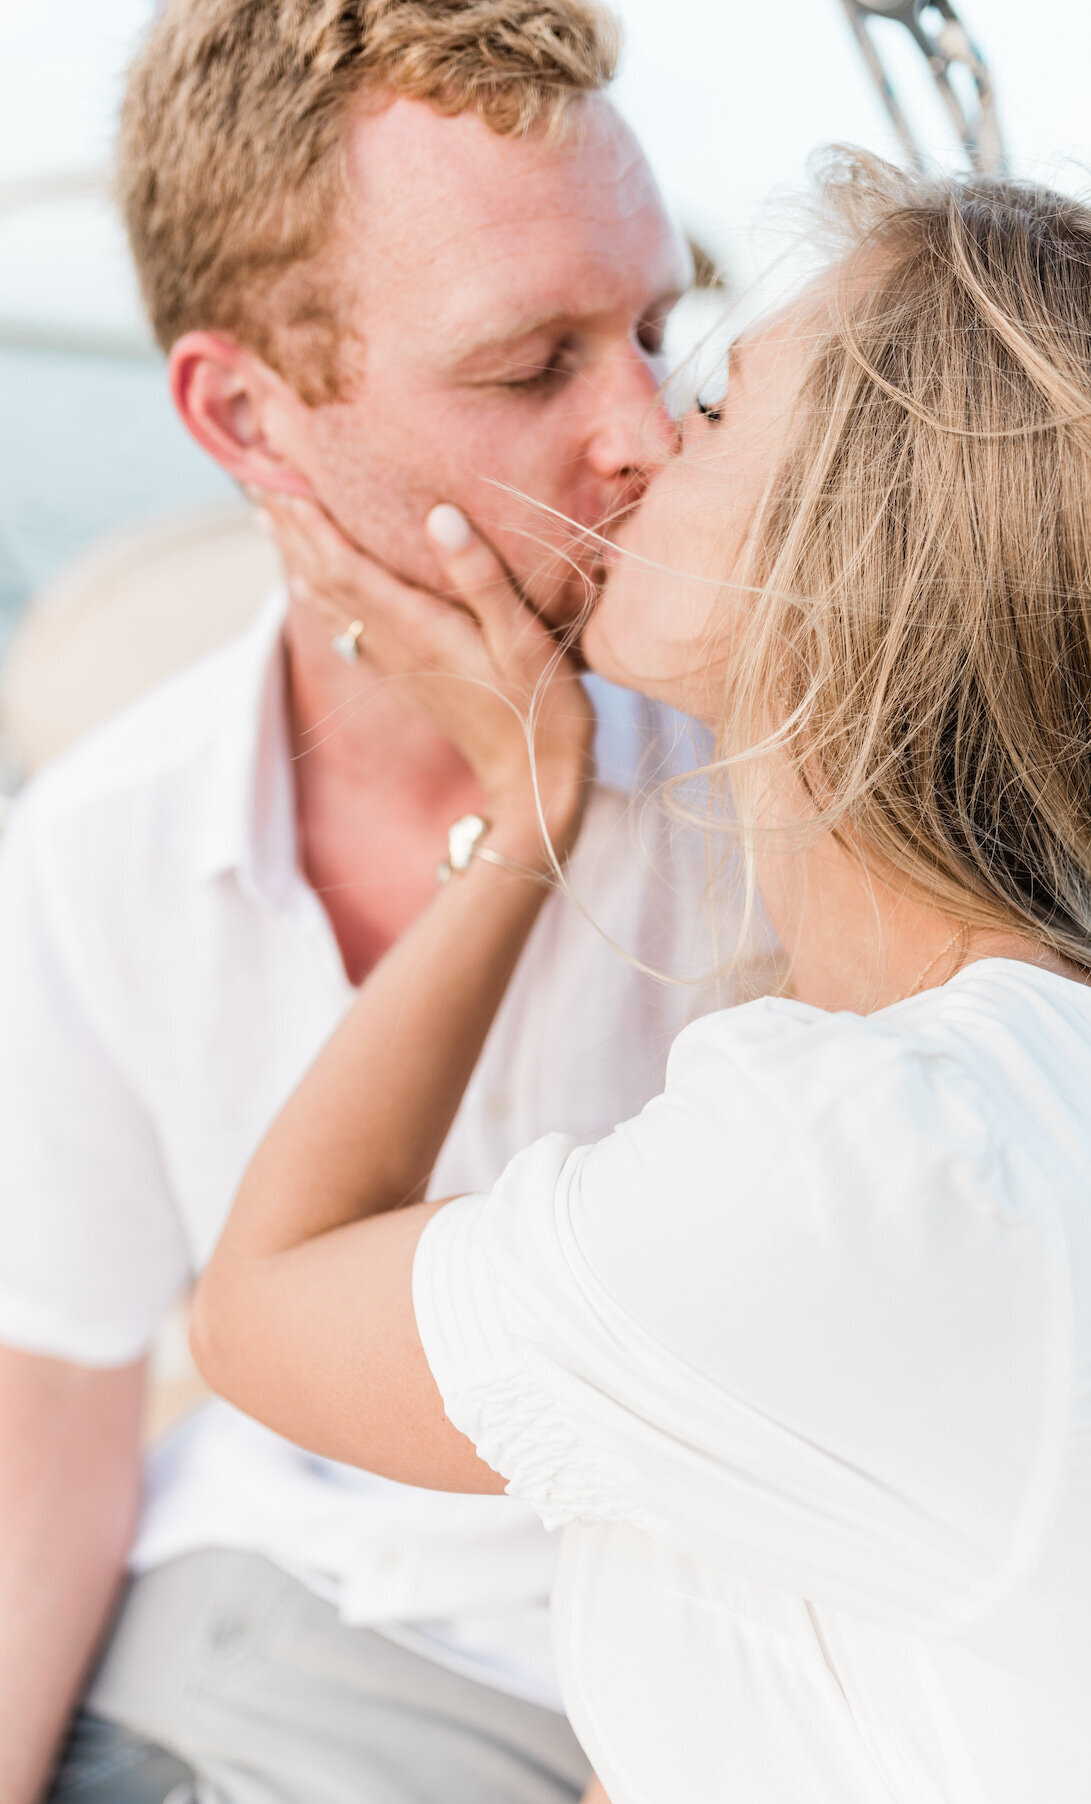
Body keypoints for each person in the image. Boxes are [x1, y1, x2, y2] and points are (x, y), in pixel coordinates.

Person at [194, 154, 1091, 1804]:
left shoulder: (865, 1163)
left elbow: (259, 1313)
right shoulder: (1087, 1097)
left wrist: (526, 812)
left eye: (721, 409)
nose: (651, 436)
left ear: (853, 573)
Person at [0, 3, 718, 1801]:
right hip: (230, 1630)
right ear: (247, 413)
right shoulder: (100, 845)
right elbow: (57, 1432)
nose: (651, 434)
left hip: (643, 1694)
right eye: (532, 364)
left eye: (655, 329)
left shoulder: (774, 798)